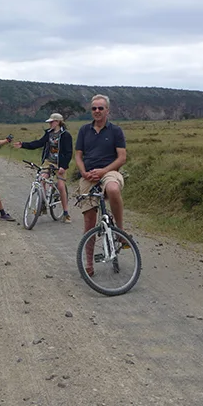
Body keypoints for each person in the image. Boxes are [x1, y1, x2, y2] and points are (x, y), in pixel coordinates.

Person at [75, 94, 127, 276]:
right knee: (89, 221)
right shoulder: (84, 130)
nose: (97, 111)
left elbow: (122, 157)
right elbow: (78, 156)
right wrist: (83, 172)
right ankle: (89, 263)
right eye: (94, 108)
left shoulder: (115, 131)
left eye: (100, 108)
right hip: (88, 175)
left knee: (113, 189)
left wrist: (104, 171)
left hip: (109, 171)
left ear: (107, 110)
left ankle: (120, 231)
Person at [13, 112, 74, 223]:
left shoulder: (65, 135)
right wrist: (23, 145)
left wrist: (63, 167)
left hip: (60, 163)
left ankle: (66, 213)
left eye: (52, 122)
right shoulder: (48, 134)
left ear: (58, 122)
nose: (50, 124)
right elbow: (38, 143)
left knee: (60, 186)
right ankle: (43, 203)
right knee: (42, 179)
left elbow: (69, 152)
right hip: (48, 161)